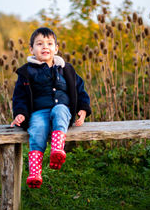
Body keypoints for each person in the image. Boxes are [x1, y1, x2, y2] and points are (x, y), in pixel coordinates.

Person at [10, 27, 91, 189]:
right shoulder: (27, 72)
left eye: (49, 43)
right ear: (32, 49)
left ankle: (57, 150)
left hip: (62, 110)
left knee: (60, 110)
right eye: (39, 44)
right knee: (37, 129)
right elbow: (20, 96)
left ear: (56, 48)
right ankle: (34, 172)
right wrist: (20, 114)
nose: (45, 47)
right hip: (39, 112)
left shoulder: (66, 69)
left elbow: (79, 89)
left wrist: (83, 109)